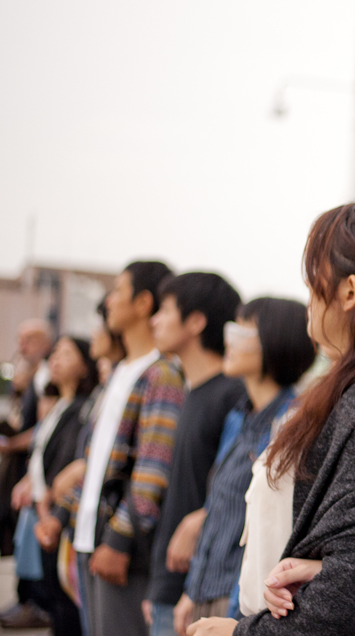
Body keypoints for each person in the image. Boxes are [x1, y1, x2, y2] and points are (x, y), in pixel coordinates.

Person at [188, 198, 355, 636]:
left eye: (314, 282)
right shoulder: (352, 392)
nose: (309, 297)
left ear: (349, 292)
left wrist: (240, 632)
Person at [39, 260, 186, 636]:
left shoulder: (161, 373)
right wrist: (61, 514)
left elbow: (153, 469)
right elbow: (95, 464)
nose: (110, 302)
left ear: (142, 303)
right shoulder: (119, 373)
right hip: (90, 539)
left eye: (119, 291)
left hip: (120, 549)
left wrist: (120, 539)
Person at [174, 297, 315, 634]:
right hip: (211, 590)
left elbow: (271, 530)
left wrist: (241, 621)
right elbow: (221, 511)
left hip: (243, 605)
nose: (229, 340)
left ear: (274, 342)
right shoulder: (239, 417)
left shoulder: (293, 424)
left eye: (243, 331)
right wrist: (192, 590)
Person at [144, 273, 247, 636]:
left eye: (166, 310)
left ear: (196, 321)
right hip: (168, 582)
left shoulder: (232, 395)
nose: (154, 320)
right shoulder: (191, 392)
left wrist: (200, 518)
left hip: (201, 587)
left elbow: (240, 489)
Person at [11, 335, 98, 636]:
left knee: (63, 598)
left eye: (67, 353)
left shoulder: (83, 408)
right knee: (52, 592)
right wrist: (28, 482)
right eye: (55, 353)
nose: (56, 360)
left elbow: (67, 463)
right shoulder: (61, 405)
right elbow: (40, 453)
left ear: (86, 365)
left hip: (59, 510)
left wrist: (49, 506)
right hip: (45, 508)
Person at [0, 319, 55, 629]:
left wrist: (10, 445)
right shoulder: (32, 376)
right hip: (30, 467)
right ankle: (26, 600)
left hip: (38, 468)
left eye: (29, 340)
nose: (22, 347)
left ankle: (36, 604)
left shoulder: (48, 375)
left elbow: (44, 429)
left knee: (34, 538)